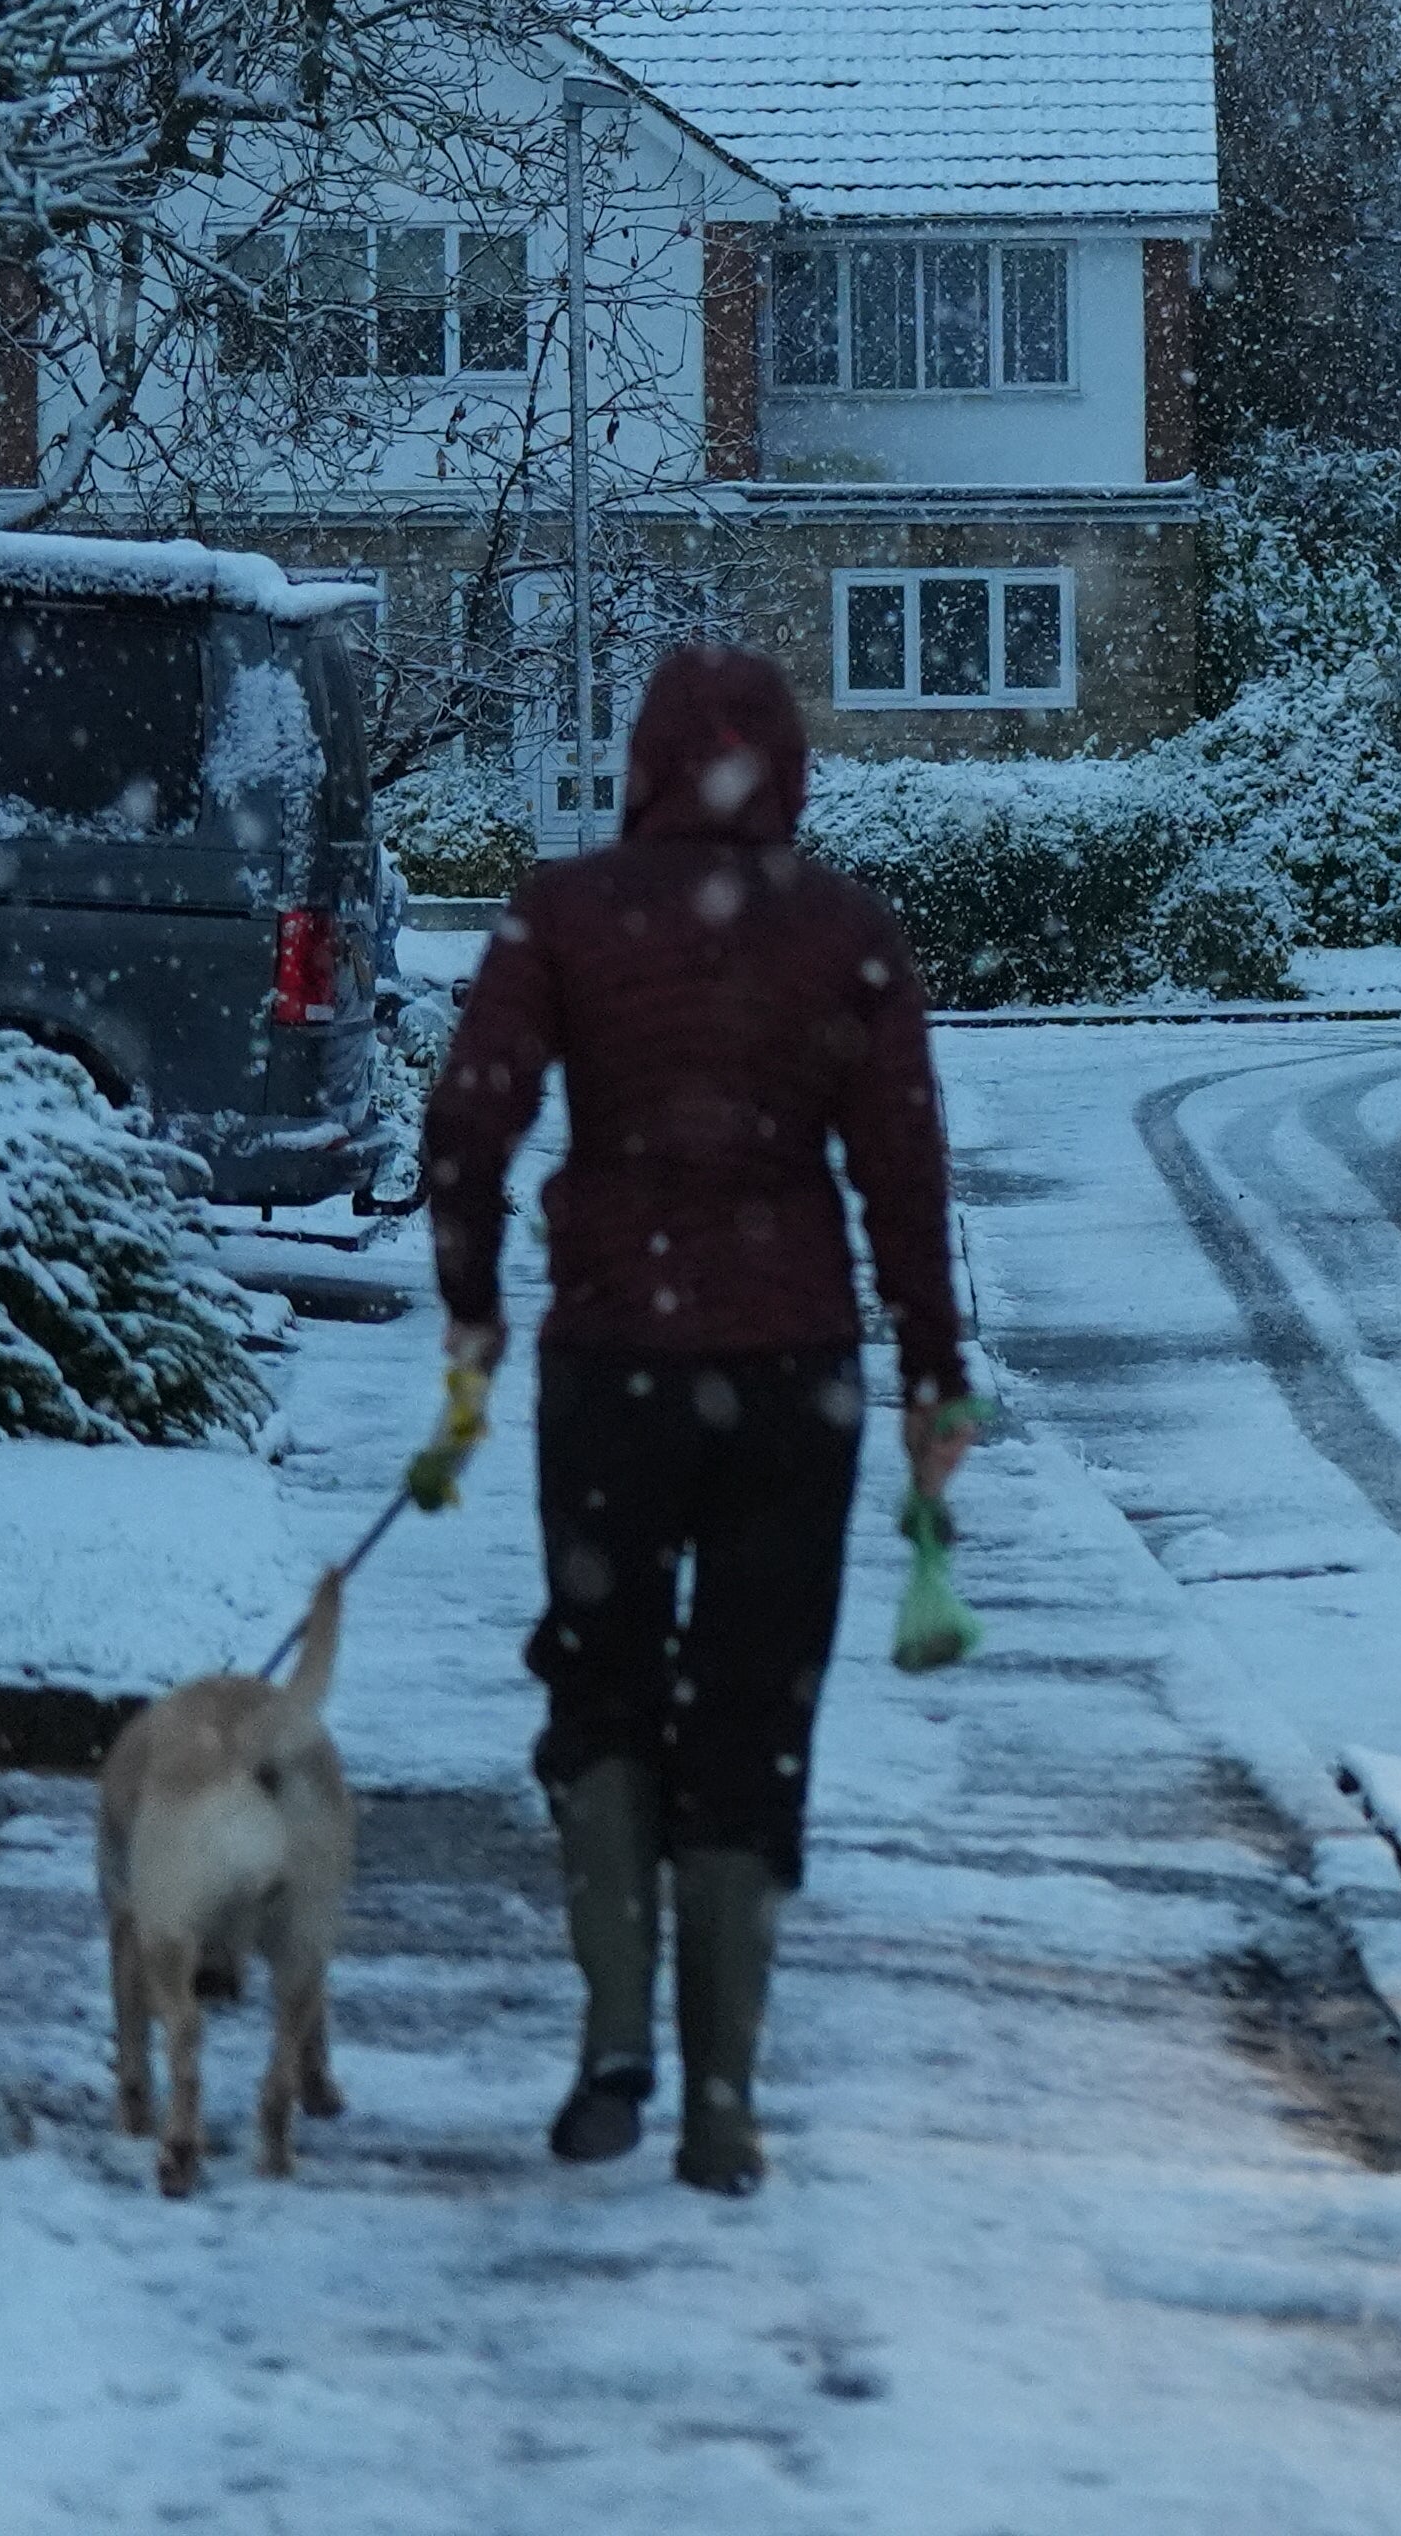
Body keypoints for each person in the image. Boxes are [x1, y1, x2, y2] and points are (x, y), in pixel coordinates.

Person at [421, 645, 972, 2195]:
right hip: (795, 1373)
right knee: (752, 1708)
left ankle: (613, 2035)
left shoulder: (566, 911)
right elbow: (906, 1175)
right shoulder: (847, 932)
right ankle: (724, 2096)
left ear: (642, 763)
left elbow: (471, 1113)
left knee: (602, 1681)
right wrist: (936, 1376)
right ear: (786, 770)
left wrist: (472, 1294)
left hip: (612, 1367)